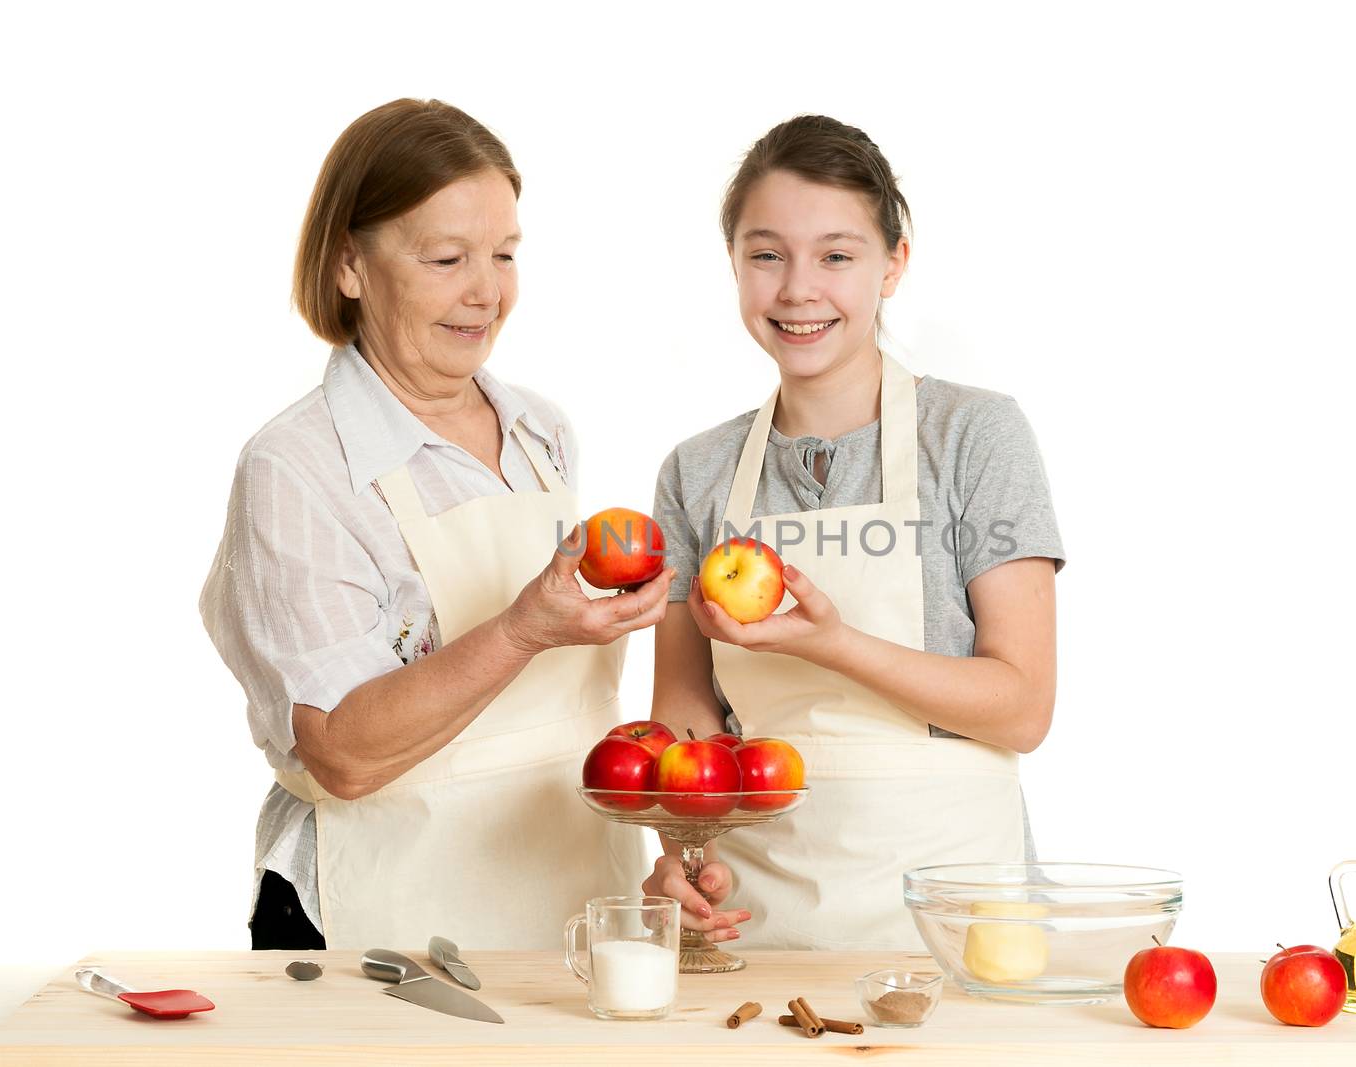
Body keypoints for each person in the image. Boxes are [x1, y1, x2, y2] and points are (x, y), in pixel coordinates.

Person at [200, 99, 670, 950]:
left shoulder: (541, 433)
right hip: (384, 915)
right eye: (447, 257)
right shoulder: (299, 466)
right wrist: (524, 627)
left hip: (567, 884)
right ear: (349, 265)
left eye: (505, 254)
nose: (487, 292)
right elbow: (342, 752)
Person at [644, 115, 1064, 951]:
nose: (799, 288)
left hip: (960, 917)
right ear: (734, 265)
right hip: (759, 916)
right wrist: (685, 849)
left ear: (893, 264)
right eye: (767, 255)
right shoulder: (697, 472)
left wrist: (832, 643)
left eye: (837, 255)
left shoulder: (974, 435)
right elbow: (686, 710)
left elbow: (1021, 707)